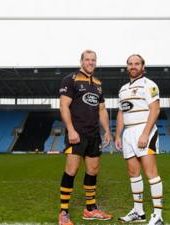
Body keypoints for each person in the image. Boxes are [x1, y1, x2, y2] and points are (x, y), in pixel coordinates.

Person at [58, 49, 112, 225]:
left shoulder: (97, 83)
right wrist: (71, 130)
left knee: (93, 170)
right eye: (87, 60)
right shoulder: (71, 79)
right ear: (81, 61)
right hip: (77, 133)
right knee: (71, 170)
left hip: (94, 134)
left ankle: (90, 209)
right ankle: (63, 212)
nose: (90, 62)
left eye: (93, 60)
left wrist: (107, 131)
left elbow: (102, 109)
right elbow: (64, 106)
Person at [115, 54, 164, 225]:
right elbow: (122, 112)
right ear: (127, 67)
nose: (133, 66)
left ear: (143, 66)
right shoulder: (122, 89)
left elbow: (155, 110)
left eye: (137, 64)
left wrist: (145, 133)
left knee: (151, 173)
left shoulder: (149, 85)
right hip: (128, 133)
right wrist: (118, 135)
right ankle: (139, 212)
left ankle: (158, 216)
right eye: (130, 64)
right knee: (133, 173)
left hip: (145, 130)